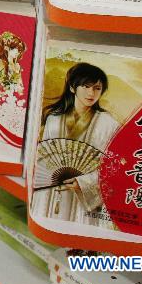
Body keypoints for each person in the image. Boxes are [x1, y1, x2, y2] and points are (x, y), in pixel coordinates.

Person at [30, 62, 119, 228]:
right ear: (72, 88)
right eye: (86, 86)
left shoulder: (108, 124)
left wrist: (84, 182)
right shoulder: (54, 120)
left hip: (82, 199)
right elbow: (44, 158)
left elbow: (114, 166)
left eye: (97, 88)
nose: (91, 93)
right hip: (49, 194)